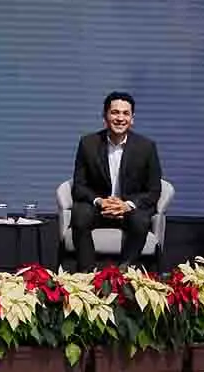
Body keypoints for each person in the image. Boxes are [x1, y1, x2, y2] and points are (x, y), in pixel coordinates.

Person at [71, 91, 162, 272]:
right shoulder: (88, 143)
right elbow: (79, 186)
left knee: (141, 220)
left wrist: (127, 205)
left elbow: (153, 190)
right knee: (79, 215)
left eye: (125, 113)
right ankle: (87, 275)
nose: (120, 118)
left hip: (128, 210)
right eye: (115, 112)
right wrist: (101, 201)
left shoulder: (146, 147)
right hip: (99, 208)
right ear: (105, 116)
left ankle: (124, 273)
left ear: (132, 119)